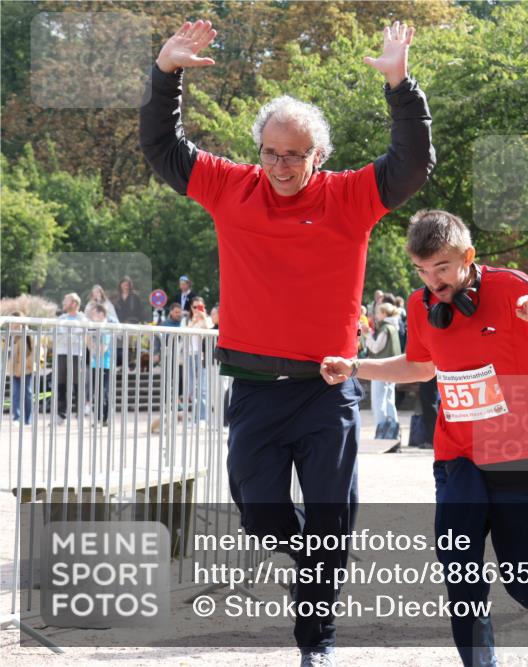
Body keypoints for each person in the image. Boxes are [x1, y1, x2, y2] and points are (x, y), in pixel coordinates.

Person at [140, 19, 434, 665]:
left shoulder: (350, 196)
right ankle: (314, 562)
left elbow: (412, 162)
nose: (281, 166)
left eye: (295, 154)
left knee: (331, 519)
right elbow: (164, 147)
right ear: (258, 152)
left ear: (318, 156)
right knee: (262, 515)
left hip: (326, 388)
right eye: (271, 152)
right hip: (253, 389)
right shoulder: (230, 186)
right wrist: (166, 75)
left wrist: (399, 84)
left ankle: (316, 641)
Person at [321, 210, 528, 667]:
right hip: (457, 453)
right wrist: (357, 367)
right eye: (422, 271)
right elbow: (422, 365)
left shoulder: (513, 288)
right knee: (459, 569)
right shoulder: (423, 305)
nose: (432, 281)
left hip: (521, 449)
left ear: (468, 257)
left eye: (441, 269)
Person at [365, 302, 402, 439]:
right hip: (392, 369)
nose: (376, 315)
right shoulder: (394, 327)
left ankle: (382, 432)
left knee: (378, 401)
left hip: (381, 368)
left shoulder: (385, 328)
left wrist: (367, 335)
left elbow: (375, 348)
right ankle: (393, 432)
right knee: (389, 400)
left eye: (378, 313)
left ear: (385, 314)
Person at [54, 293, 87, 422]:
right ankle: (61, 414)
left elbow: (80, 333)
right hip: (62, 352)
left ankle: (80, 414)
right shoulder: (61, 317)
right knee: (61, 383)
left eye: (66, 300)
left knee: (77, 384)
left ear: (74, 303)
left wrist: (67, 335)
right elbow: (57, 334)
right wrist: (71, 335)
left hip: (76, 354)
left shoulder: (82, 318)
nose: (63, 303)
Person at [6, 312, 36, 425]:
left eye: (13, 320)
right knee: (15, 393)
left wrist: (28, 364)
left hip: (26, 369)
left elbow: (35, 352)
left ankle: (28, 418)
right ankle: (16, 417)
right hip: (14, 369)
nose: (12, 323)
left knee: (27, 393)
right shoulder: (11, 335)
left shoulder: (29, 334)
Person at [86, 304, 112, 426]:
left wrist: (92, 345)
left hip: (104, 365)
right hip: (95, 364)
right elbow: (88, 345)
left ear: (102, 314)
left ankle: (102, 418)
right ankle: (101, 418)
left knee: (103, 392)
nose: (92, 316)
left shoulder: (106, 328)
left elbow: (102, 349)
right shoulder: (93, 328)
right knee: (97, 392)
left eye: (94, 313)